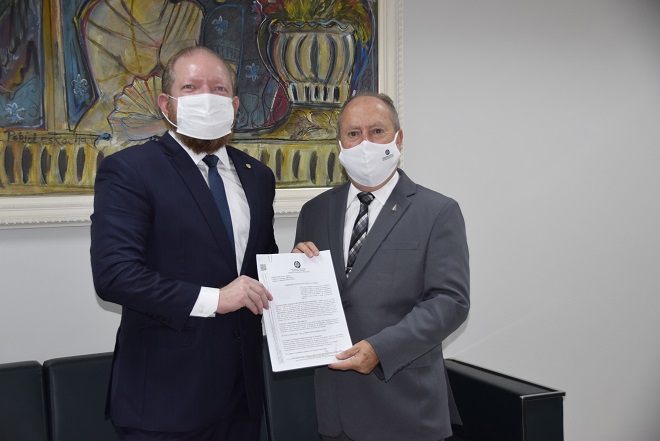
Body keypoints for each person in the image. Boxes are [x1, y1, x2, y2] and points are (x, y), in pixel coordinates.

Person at [90, 46, 278, 441]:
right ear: (166, 104)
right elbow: (115, 276)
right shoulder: (130, 170)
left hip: (241, 400)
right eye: (191, 87)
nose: (207, 97)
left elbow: (258, 269)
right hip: (164, 402)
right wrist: (215, 299)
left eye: (219, 88)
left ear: (235, 105)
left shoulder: (258, 176)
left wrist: (295, 268)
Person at [293, 93, 470, 441]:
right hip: (335, 413)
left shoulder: (437, 211)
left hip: (407, 409)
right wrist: (295, 272)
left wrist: (381, 350)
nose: (365, 144)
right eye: (353, 134)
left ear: (398, 138)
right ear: (339, 144)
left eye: (377, 131)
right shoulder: (314, 211)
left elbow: (450, 302)